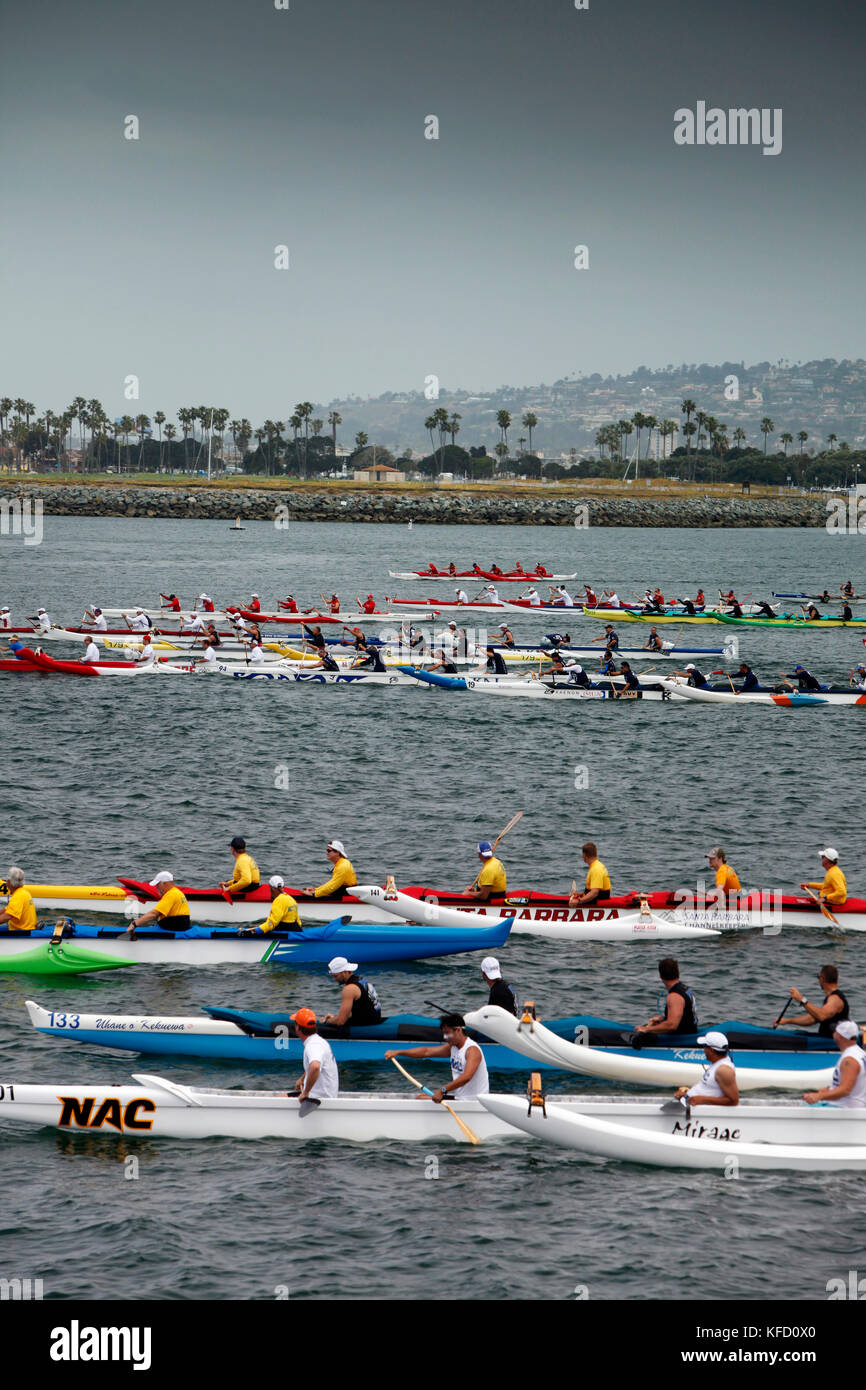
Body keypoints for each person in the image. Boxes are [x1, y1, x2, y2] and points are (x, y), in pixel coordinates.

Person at [384, 1014, 490, 1102]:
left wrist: (443, 1090)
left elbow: (467, 1077)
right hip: (461, 1098)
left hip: (474, 1101)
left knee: (422, 1100)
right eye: (443, 1034)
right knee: (421, 1098)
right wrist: (398, 1052)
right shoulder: (453, 1047)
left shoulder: (472, 1050)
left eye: (447, 1033)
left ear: (458, 1030)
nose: (445, 1037)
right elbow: (426, 1052)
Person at [804, 1020, 866, 1107]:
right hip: (851, 1105)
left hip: (845, 1108)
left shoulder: (849, 1060)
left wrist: (819, 1096)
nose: (833, 1033)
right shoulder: (860, 1053)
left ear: (840, 1036)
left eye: (835, 1031)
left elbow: (845, 1090)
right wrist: (829, 1090)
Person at [776, 964, 849, 1037]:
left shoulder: (835, 999)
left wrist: (802, 999)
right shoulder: (831, 999)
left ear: (821, 979)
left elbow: (821, 1015)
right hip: (825, 1039)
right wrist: (787, 1021)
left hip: (832, 1044)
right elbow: (812, 1018)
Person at [634, 958, 698, 1036]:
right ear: (678, 973)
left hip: (681, 1037)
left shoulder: (674, 996)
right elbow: (686, 1014)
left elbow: (672, 1025)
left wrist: (646, 1029)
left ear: (660, 975)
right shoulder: (685, 989)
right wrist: (664, 1018)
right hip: (691, 1030)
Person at [673, 1032, 739, 1108]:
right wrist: (686, 1094)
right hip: (688, 1102)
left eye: (704, 1046)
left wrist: (703, 1100)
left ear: (711, 1050)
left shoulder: (724, 1070)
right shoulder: (716, 1064)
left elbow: (733, 1101)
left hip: (695, 1109)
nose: (704, 1050)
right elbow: (709, 1090)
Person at [290, 1008, 339, 1100]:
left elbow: (315, 1067)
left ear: (298, 1028)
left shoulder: (313, 1045)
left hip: (320, 1099)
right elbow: (317, 1065)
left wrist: (305, 1092)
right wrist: (302, 1079)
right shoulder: (318, 1041)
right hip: (324, 1096)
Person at [123, 871, 191, 935]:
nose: (156, 887)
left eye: (157, 885)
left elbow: (153, 914)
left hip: (175, 930)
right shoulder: (178, 892)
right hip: (180, 926)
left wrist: (134, 924)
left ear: (164, 884)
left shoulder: (171, 895)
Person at [323, 956, 383, 1028]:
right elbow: (353, 1012)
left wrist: (327, 1021)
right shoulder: (362, 980)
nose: (334, 979)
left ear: (344, 972)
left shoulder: (349, 989)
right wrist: (334, 1018)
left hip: (365, 1026)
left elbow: (341, 1022)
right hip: (375, 1020)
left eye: (335, 976)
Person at [569, 841, 611, 906]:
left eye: (583, 854)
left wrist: (579, 902)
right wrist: (581, 894)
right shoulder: (597, 865)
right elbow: (595, 890)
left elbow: (595, 893)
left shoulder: (596, 869)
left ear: (585, 855)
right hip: (598, 897)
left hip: (598, 901)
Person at [0, 866, 37, 932]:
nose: (6, 883)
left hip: (23, 932)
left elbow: (8, 916)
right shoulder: (24, 892)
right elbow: (6, 910)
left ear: (9, 882)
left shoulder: (18, 896)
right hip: (28, 928)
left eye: (7, 881)